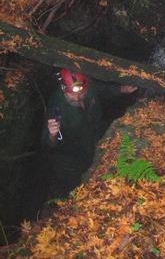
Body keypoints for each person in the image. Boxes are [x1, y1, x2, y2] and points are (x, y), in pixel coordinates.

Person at [41, 69, 138, 199]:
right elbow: (48, 145)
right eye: (71, 94)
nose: (76, 98)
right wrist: (52, 135)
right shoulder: (57, 108)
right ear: (63, 89)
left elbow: (102, 90)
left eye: (81, 93)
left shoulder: (90, 88)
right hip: (70, 162)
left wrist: (122, 89)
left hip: (91, 144)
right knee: (73, 193)